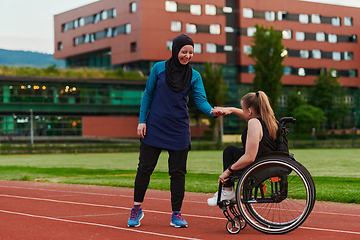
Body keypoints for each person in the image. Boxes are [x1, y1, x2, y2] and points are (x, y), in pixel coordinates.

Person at [127, 33, 223, 228]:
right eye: (183, 51)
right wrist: (142, 121)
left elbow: (201, 100)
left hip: (179, 129)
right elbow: (148, 94)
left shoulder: (194, 76)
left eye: (191, 52)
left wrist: (212, 111)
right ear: (175, 50)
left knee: (178, 173)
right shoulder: (158, 68)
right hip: (154, 126)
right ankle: (136, 208)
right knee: (144, 169)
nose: (187, 56)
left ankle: (176, 214)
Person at [207, 91, 278, 206]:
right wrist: (231, 110)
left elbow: (250, 157)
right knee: (232, 150)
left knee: (229, 151)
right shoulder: (269, 120)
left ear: (250, 111)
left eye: (243, 109)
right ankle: (228, 190)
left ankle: (228, 190)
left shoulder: (254, 123)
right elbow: (246, 114)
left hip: (257, 164)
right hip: (267, 161)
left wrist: (227, 171)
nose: (243, 112)